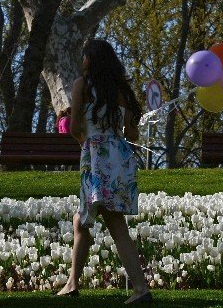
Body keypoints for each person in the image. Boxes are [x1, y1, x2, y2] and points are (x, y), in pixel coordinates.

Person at [55, 38, 151, 304]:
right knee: (82, 219)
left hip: (97, 156)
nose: (82, 60)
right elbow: (132, 133)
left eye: (85, 56)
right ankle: (73, 282)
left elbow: (74, 128)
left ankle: (141, 288)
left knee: (114, 223)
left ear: (90, 60)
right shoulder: (122, 91)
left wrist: (87, 144)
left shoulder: (82, 86)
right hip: (120, 156)